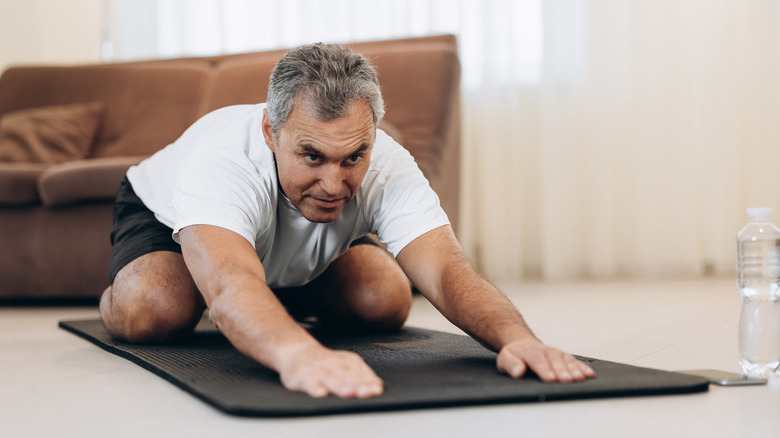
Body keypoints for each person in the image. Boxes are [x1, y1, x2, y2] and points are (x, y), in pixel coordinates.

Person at [100, 43, 595, 399]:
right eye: (312, 156)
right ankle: (133, 289)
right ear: (272, 133)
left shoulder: (387, 160)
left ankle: (274, 292)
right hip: (165, 217)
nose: (335, 184)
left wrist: (519, 339)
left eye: (353, 157)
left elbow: (446, 270)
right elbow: (229, 287)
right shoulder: (222, 162)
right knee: (154, 308)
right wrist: (298, 354)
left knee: (383, 297)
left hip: (284, 250)